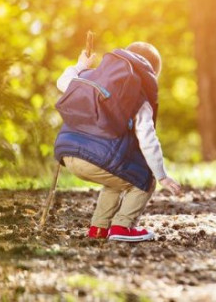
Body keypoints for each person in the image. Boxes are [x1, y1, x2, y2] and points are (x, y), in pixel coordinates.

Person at [54, 41, 181, 242]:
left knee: (117, 180)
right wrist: (161, 175)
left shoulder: (91, 77)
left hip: (67, 153)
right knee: (144, 181)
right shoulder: (138, 96)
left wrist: (80, 66)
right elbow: (148, 139)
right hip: (95, 159)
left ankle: (99, 228)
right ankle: (123, 226)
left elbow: (62, 82)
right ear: (151, 74)